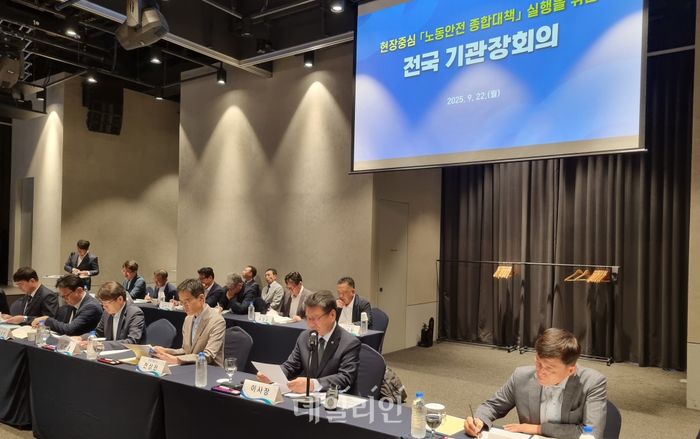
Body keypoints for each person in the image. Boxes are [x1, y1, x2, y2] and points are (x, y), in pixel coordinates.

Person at [465, 328, 607, 439]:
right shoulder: (521, 376)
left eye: (549, 369)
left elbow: (591, 432)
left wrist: (538, 429)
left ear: (571, 370)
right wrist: (479, 420)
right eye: (538, 363)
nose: (540, 372)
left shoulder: (592, 383)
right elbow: (492, 406)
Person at [257, 290, 360, 393]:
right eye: (308, 318)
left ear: (332, 315)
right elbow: (291, 366)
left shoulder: (349, 343)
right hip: (307, 398)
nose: (310, 324)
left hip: (335, 398)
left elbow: (345, 377)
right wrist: (272, 375)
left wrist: (313, 385)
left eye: (315, 318)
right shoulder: (305, 337)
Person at [153, 279, 226, 367]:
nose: (184, 306)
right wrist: (166, 351)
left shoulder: (217, 321)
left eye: (187, 302)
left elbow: (208, 355)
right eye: (182, 302)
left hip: (210, 370)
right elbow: (186, 351)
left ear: (201, 298)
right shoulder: (188, 319)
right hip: (191, 367)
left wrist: (176, 359)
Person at [32, 274, 102, 336]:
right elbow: (60, 324)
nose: (65, 299)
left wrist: (47, 320)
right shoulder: (71, 304)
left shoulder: (91, 306)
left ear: (79, 290)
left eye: (66, 295)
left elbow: (70, 330)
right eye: (62, 296)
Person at [82, 281, 145, 350]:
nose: (104, 307)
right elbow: (98, 334)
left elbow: (132, 342)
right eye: (102, 303)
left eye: (107, 303)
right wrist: (83, 338)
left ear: (120, 299)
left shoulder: (134, 313)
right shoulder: (106, 313)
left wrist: (101, 345)